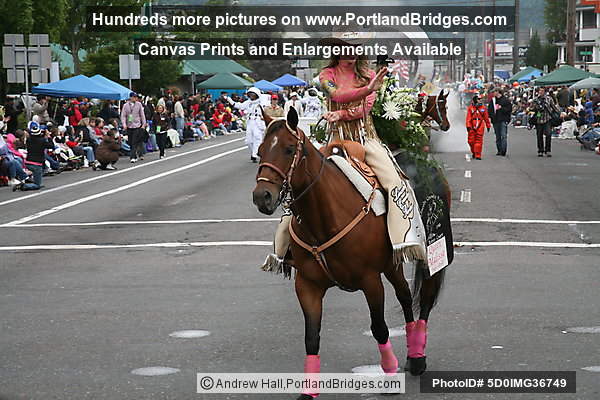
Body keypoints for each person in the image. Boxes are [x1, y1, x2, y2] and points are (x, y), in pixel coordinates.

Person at [264, 39, 427, 273]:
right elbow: (338, 94)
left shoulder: (370, 74)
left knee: (395, 182)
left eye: (355, 48)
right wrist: (366, 90)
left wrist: (346, 110)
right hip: (334, 138)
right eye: (345, 48)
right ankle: (283, 250)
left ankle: (403, 239)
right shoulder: (326, 74)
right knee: (298, 182)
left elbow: (365, 108)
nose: (351, 53)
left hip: (364, 138)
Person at [226, 87, 266, 163]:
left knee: (257, 138)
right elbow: (240, 106)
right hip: (250, 121)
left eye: (253, 95)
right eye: (250, 95)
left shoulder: (261, 102)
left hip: (258, 122)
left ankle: (255, 154)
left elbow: (266, 111)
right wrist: (230, 100)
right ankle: (253, 152)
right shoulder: (248, 102)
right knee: (249, 140)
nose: (251, 96)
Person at [15, 122, 54, 191]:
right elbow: (51, 146)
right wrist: (48, 136)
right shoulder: (42, 141)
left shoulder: (28, 140)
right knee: (37, 185)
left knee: (37, 181)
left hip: (28, 162)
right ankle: (24, 186)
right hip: (37, 164)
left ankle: (31, 183)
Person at [531, 87, 560, 157]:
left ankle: (548, 150)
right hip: (538, 119)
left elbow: (554, 107)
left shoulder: (549, 99)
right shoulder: (535, 99)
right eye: (540, 91)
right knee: (539, 135)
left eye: (542, 91)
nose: (541, 92)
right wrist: (536, 107)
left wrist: (559, 113)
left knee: (548, 134)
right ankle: (540, 150)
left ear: (545, 92)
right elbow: (531, 108)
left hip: (547, 119)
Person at [120, 92, 147, 163]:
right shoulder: (125, 105)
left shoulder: (139, 104)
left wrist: (143, 124)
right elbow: (123, 115)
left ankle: (133, 156)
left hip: (137, 125)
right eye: (134, 97)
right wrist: (124, 124)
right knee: (130, 141)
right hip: (129, 126)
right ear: (130, 97)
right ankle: (135, 154)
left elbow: (142, 115)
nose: (136, 98)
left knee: (134, 141)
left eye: (136, 97)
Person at [487, 88, 512, 156]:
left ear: (498, 92)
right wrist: (491, 117)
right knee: (497, 136)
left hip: (503, 120)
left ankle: (503, 151)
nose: (493, 93)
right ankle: (499, 150)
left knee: (503, 136)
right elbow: (490, 110)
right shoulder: (493, 100)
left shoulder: (505, 100)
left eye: (494, 92)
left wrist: (501, 108)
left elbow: (509, 109)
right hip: (495, 120)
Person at [466, 95, 491, 160]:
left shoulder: (483, 108)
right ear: (475, 100)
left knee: (479, 141)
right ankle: (474, 152)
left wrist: (488, 125)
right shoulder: (470, 108)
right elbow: (468, 118)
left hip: (480, 126)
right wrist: (468, 126)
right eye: (479, 99)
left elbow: (486, 118)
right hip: (472, 125)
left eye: (481, 99)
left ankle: (478, 155)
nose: (480, 100)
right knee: (471, 141)